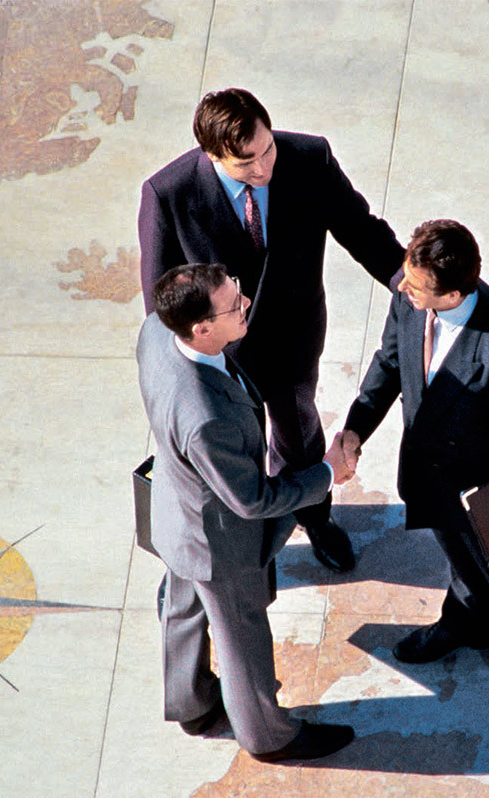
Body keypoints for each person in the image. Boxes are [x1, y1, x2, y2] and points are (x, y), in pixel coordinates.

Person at [138, 87, 405, 573]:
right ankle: (241, 546)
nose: (263, 169)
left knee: (299, 437)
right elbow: (161, 303)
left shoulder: (309, 158)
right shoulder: (169, 194)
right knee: (232, 457)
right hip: (220, 358)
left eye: (267, 150)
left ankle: (314, 517)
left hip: (293, 340)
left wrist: (407, 282)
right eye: (246, 163)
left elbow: (360, 228)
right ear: (212, 155)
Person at [340, 220, 489, 729]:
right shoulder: (410, 293)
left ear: (453, 294)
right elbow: (390, 362)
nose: (402, 288)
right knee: (460, 559)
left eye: (416, 285)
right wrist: (355, 429)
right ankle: (471, 621)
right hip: (435, 477)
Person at [137, 263, 356, 762]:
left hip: (177, 514)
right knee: (242, 639)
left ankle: (191, 705)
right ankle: (267, 736)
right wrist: (326, 474)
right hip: (218, 542)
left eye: (237, 290)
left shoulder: (156, 331)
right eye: (234, 304)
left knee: (183, 611)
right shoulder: (204, 417)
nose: (246, 304)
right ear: (202, 328)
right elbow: (253, 500)